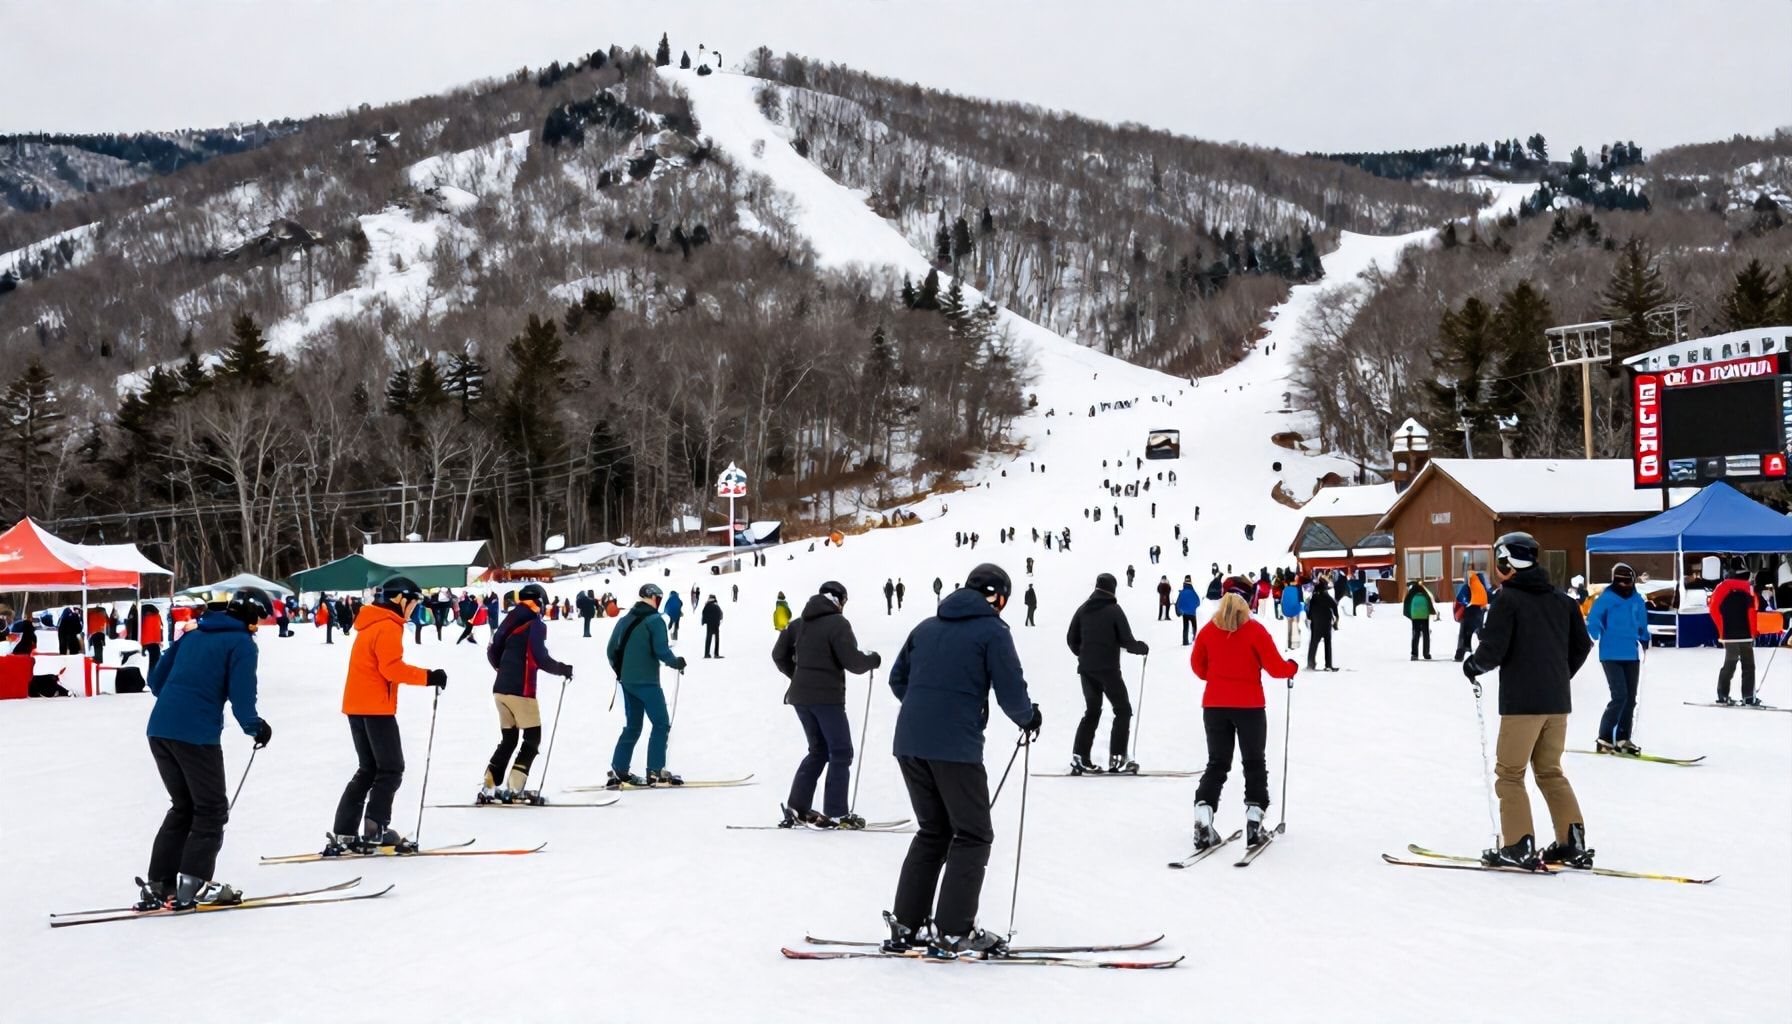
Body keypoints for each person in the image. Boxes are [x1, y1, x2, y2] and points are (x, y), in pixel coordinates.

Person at [881, 564, 1039, 960]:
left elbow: (897, 680)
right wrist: (1029, 717)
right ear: (998, 597)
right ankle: (953, 931)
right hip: (955, 748)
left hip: (910, 742)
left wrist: (926, 709)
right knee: (972, 834)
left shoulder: (925, 626)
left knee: (934, 830)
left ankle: (907, 923)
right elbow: (1010, 690)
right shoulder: (993, 631)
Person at [135, 587, 273, 912]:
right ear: (250, 616)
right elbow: (242, 700)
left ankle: (159, 884)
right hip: (195, 735)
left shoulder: (194, 634)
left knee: (183, 806)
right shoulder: (241, 644)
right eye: (260, 619)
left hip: (159, 729)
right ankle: (193, 884)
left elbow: (156, 681)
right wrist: (256, 727)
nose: (259, 626)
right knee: (211, 809)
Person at [1462, 532, 1594, 870]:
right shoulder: (1563, 600)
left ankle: (1518, 844)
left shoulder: (1509, 600)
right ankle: (1572, 841)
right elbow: (1582, 646)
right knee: (1550, 772)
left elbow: (1493, 649)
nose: (1495, 568)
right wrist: (1558, 677)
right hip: (1556, 704)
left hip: (1523, 705)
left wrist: (1473, 665)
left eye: (1498, 560)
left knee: (1509, 773)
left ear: (1508, 562)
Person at [327, 576, 445, 856]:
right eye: (413, 602)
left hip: (357, 706)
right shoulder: (388, 626)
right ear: (399, 599)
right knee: (391, 768)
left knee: (368, 769)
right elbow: (391, 669)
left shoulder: (369, 623)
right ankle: (375, 828)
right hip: (376, 707)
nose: (414, 608)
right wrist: (429, 677)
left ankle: (345, 830)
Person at [1189, 591, 1297, 850]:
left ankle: (1204, 816)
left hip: (1214, 706)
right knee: (1253, 762)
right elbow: (1275, 667)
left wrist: (1216, 678)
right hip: (1249, 707)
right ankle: (1254, 820)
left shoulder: (1207, 632)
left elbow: (1197, 665)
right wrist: (1292, 667)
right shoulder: (1255, 631)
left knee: (1217, 763)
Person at [772, 581, 881, 829]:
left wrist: (798, 676)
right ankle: (837, 813)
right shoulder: (838, 623)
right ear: (839, 600)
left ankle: (797, 807)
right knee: (841, 752)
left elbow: (778, 655)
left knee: (818, 750)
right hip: (827, 699)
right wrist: (873, 660)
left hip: (800, 697)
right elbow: (853, 662)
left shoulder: (799, 623)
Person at [481, 582, 574, 804]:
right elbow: (540, 657)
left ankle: (489, 785)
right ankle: (515, 788)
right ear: (539, 601)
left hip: (500, 689)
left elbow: (493, 649)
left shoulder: (511, 618)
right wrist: (563, 668)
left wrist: (503, 669)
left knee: (509, 738)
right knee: (532, 738)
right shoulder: (534, 623)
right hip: (520, 690)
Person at [606, 583, 687, 787]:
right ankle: (655, 770)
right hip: (648, 682)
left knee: (633, 726)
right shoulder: (655, 620)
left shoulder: (625, 620)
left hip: (627, 681)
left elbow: (610, 649)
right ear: (653, 598)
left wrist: (621, 672)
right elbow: (661, 650)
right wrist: (676, 662)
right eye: (658, 598)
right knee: (661, 723)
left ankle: (620, 768)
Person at [1067, 572, 1149, 774]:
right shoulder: (1113, 610)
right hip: (1108, 670)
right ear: (1113, 589)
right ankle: (1118, 759)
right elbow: (1127, 640)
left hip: (1086, 670)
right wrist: (1141, 648)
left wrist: (1084, 654)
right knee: (1123, 710)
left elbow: (1071, 639)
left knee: (1092, 711)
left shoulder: (1083, 609)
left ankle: (1080, 757)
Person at [1586, 564, 1650, 752]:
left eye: (1627, 581)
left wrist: (1644, 636)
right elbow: (1594, 619)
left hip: (1631, 653)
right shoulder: (1606, 599)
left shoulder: (1637, 599)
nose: (1624, 584)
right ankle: (1604, 738)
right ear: (1614, 580)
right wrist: (1593, 633)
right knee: (1619, 695)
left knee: (1630, 698)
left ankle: (1623, 737)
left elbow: (1642, 621)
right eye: (1620, 581)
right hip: (1611, 654)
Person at [1710, 559, 1759, 704]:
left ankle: (1722, 694)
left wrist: (1722, 629)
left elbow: (1713, 610)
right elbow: (1752, 613)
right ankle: (1748, 696)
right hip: (1745, 635)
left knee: (1729, 664)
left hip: (1729, 635)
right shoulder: (1747, 593)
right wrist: (1754, 632)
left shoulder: (1721, 592)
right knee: (1749, 666)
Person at [1454, 571, 1490, 660]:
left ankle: (1460, 654)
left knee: (1463, 633)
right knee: (1481, 633)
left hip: (1468, 613)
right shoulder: (1483, 588)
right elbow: (1489, 598)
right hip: (1479, 612)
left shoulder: (1468, 586)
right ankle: (1487, 652)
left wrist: (1465, 603)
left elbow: (1460, 598)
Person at [1306, 578, 1339, 671]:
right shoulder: (1326, 596)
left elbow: (1309, 613)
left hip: (1316, 624)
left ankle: (1310, 664)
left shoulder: (1313, 598)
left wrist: (1311, 618)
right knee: (1327, 644)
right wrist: (1336, 618)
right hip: (1326, 623)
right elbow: (1334, 606)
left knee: (1313, 643)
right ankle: (1328, 665)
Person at [1402, 579, 1439, 660]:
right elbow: (1429, 603)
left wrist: (1410, 615)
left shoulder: (1411, 593)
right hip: (1424, 616)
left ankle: (1414, 654)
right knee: (1426, 634)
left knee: (1416, 634)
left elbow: (1406, 605)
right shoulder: (1423, 592)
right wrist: (1432, 612)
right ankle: (1426, 654)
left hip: (1415, 617)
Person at [1279, 577, 1305, 650]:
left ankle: (1289, 643)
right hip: (1296, 608)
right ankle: (1294, 644)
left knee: (1289, 626)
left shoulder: (1286, 588)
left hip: (1287, 610)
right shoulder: (1298, 587)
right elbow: (1301, 599)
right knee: (1295, 625)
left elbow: (1283, 600)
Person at [1176, 575, 1203, 646]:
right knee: (1194, 626)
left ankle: (1185, 641)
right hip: (1192, 613)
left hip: (1184, 613)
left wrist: (1178, 611)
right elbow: (1198, 601)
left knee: (1185, 627)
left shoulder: (1182, 592)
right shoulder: (1193, 591)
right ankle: (1194, 639)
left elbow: (1178, 603)